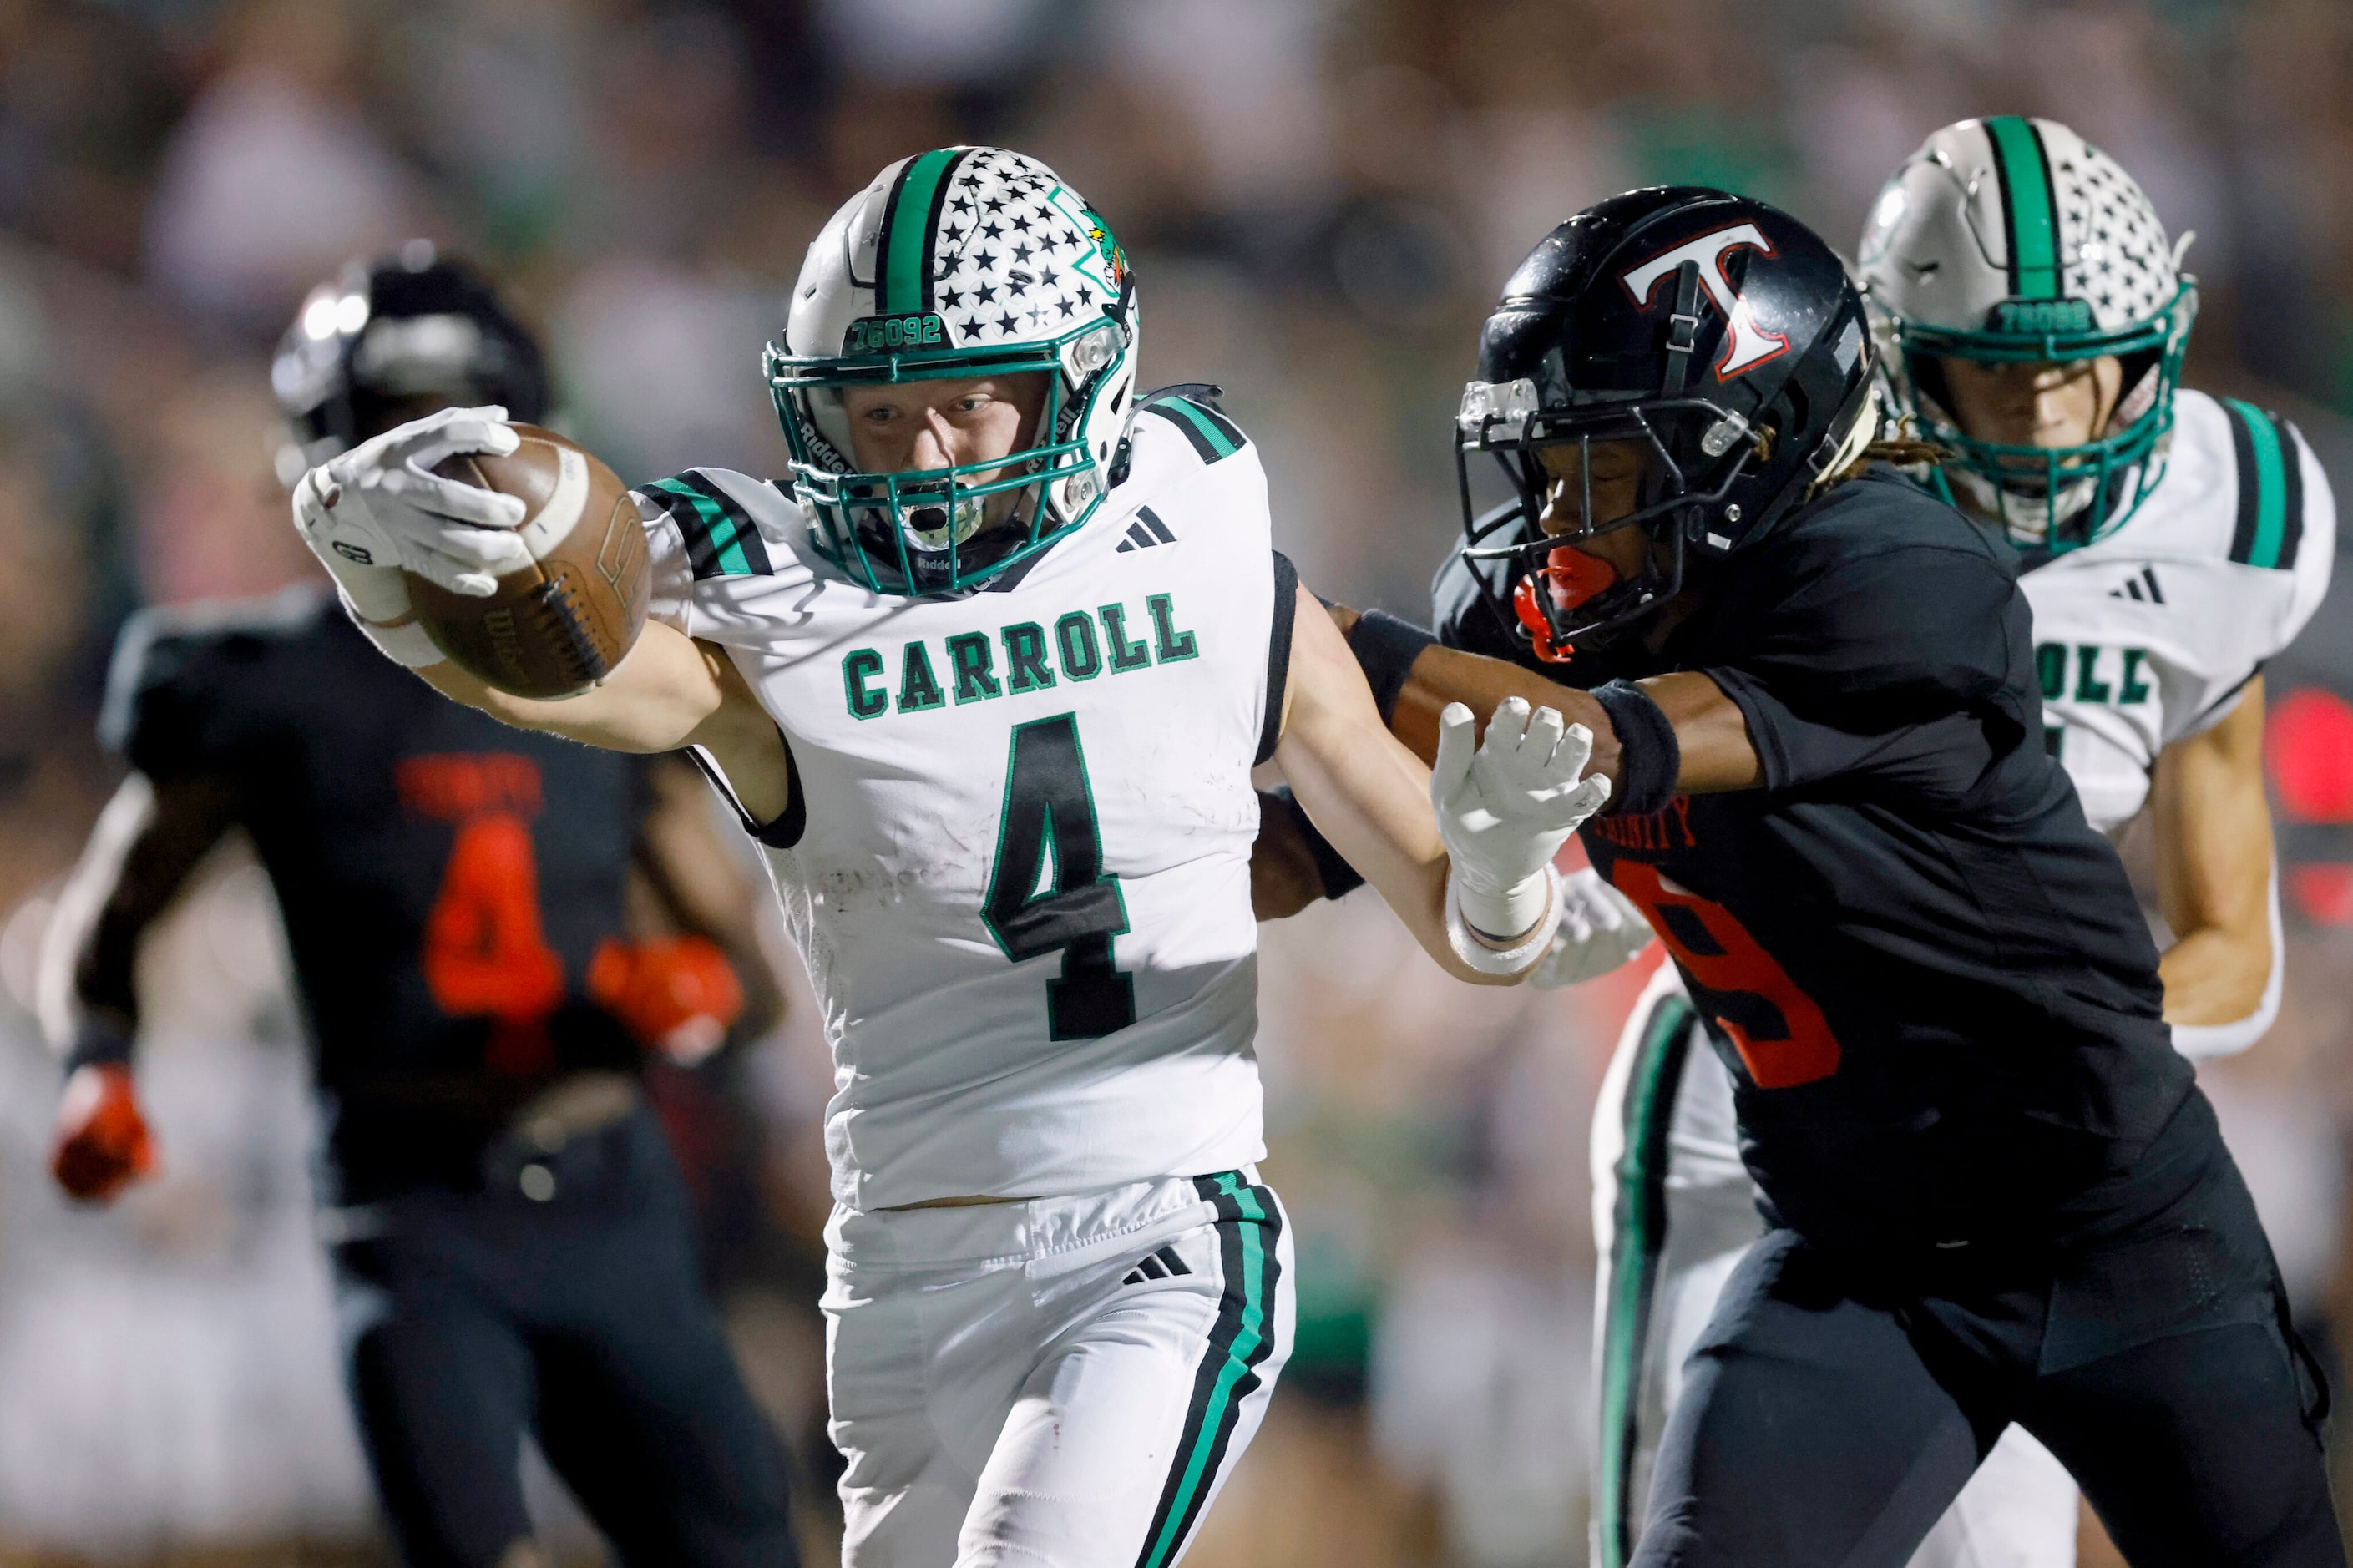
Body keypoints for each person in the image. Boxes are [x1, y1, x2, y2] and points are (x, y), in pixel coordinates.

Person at [281, 146, 1607, 1568]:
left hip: (1150, 1239)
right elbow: (547, 683)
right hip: (903, 1263)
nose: (919, 458)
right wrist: (385, 576)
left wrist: (1501, 862)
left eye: (968, 404)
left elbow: (1476, 930)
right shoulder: (778, 616)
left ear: (1082, 379)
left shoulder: (1203, 539)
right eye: (878, 410)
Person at [1261, 185, 2341, 1567]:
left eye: (1598, 460)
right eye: (1539, 462)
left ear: (1749, 440)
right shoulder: (1555, 599)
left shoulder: (1899, 572)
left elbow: (1600, 746)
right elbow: (1305, 848)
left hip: (2121, 1233)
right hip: (1858, 1257)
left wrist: (1306, 631)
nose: (1551, 510)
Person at [43, 249, 804, 1568]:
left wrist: (695, 995)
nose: (424, 480)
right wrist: (98, 1064)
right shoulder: (260, 689)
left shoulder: (620, 683)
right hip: (416, 1217)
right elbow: (113, 912)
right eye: (387, 440)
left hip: (610, 1190)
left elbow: (750, 989)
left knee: (749, 1547)